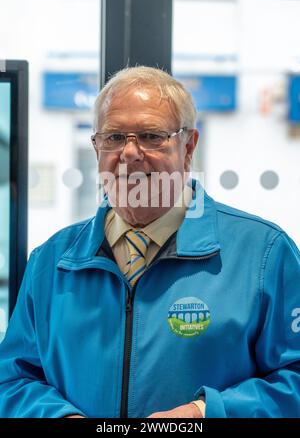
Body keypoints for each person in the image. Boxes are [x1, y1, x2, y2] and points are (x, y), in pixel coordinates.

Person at [0, 66, 300, 419]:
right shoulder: (51, 262)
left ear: (188, 147)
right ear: (96, 147)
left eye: (151, 136)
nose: (129, 153)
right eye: (113, 137)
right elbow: (13, 379)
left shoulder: (265, 255)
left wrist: (206, 414)